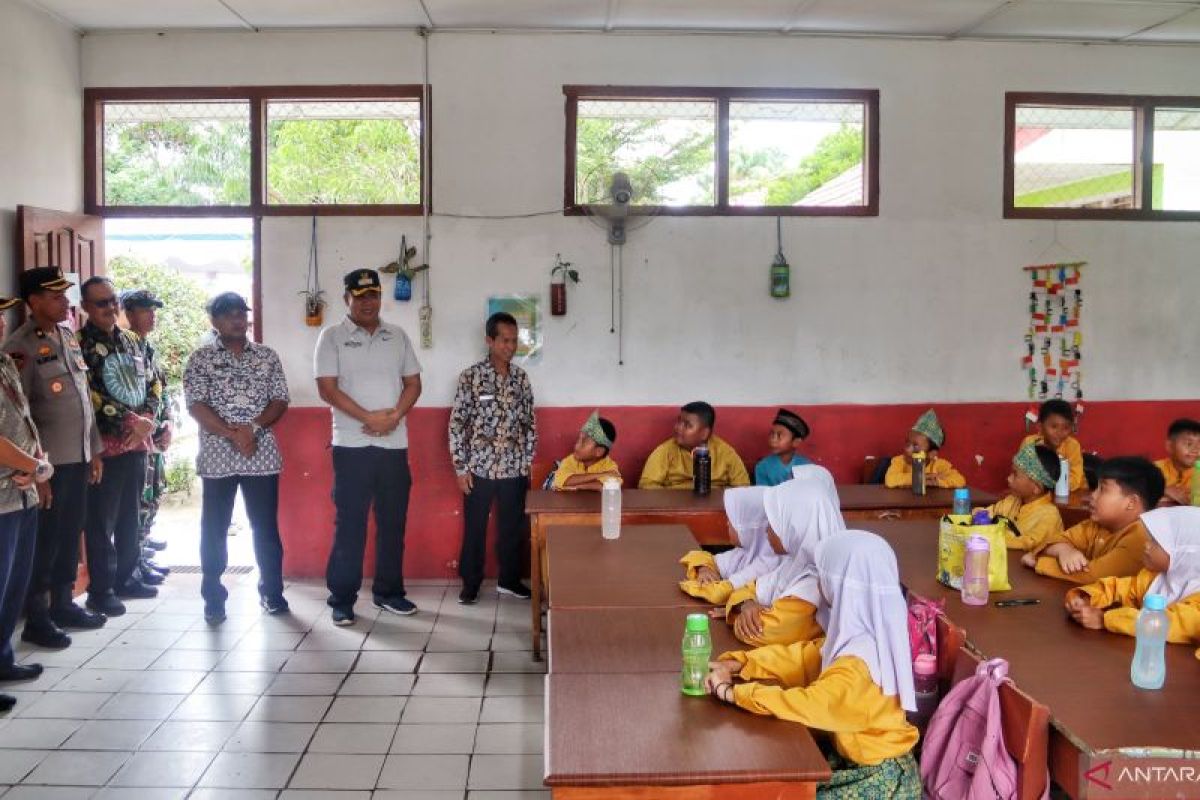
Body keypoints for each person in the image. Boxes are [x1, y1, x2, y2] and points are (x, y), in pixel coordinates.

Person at [705, 530, 920, 798]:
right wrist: (740, 664)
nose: (818, 584)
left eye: (824, 576)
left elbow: (806, 704)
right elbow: (805, 658)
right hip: (861, 763)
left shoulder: (859, 665)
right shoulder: (867, 634)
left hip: (880, 781)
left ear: (842, 585)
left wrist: (733, 693)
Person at [4, 268, 105, 648]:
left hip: (76, 455)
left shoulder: (67, 336)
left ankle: (64, 602)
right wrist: (37, 469)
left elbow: (83, 400)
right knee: (45, 541)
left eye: (66, 295)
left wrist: (93, 449)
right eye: (56, 296)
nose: (66, 302)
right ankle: (38, 616)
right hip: (47, 465)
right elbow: (19, 415)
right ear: (33, 302)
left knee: (68, 533)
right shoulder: (20, 347)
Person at [315, 269, 422, 626]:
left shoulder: (398, 336)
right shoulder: (331, 338)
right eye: (359, 297)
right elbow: (327, 389)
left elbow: (413, 384)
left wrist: (393, 417)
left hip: (394, 446)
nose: (367, 303)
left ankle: (389, 593)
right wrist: (368, 417)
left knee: (393, 523)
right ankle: (342, 599)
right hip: (352, 446)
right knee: (351, 526)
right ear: (347, 298)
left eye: (373, 295)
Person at [183, 292, 290, 624]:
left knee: (265, 528)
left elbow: (280, 399)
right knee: (214, 528)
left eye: (241, 313)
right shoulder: (200, 359)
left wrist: (253, 428)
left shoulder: (267, 356)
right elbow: (196, 405)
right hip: (219, 458)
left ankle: (272, 593)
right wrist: (233, 433)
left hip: (262, 457)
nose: (237, 319)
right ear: (214, 321)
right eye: (228, 315)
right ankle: (213, 596)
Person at [77, 276, 162, 617]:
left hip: (138, 443)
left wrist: (148, 421)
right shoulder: (78, 344)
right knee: (101, 520)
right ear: (85, 307)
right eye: (101, 303)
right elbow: (89, 393)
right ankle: (101, 589)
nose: (110, 308)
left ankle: (128, 578)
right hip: (105, 447)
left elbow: (153, 381)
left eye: (113, 300)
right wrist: (131, 422)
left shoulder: (131, 340)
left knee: (131, 514)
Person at [448, 311, 537, 605]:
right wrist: (461, 467)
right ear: (489, 340)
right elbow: (457, 424)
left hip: (513, 468)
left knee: (513, 527)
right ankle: (470, 584)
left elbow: (529, 424)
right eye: (504, 340)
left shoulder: (521, 380)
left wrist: (526, 462)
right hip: (479, 468)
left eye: (514, 341)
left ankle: (509, 581)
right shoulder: (471, 377)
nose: (510, 347)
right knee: (475, 529)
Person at [0, 295, 56, 710]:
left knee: (14, 584)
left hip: (21, 490)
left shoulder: (4, 362)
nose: (0, 324)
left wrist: (38, 463)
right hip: (5, 492)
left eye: (0, 317)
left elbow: (24, 420)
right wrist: (35, 466)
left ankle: (3, 659)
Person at [723, 468, 845, 646]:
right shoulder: (796, 562)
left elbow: (763, 632)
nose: (766, 530)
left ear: (795, 527)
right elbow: (747, 589)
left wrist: (741, 615)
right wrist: (747, 605)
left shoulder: (816, 579)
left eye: (774, 524)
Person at [1066, 506, 1200, 642]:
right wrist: (1087, 597)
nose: (1147, 545)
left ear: (1183, 555)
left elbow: (1165, 624)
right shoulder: (1154, 578)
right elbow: (1119, 588)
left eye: (1156, 542)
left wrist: (1103, 619)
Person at [1025, 456, 1164, 584]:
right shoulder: (1097, 525)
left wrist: (1038, 562)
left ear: (1131, 503)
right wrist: (1064, 551)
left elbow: (1093, 575)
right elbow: (1051, 541)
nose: (1092, 495)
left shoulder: (1141, 537)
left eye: (1102, 489)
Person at [121, 289, 172, 584]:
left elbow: (158, 390)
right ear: (127, 313)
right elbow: (130, 395)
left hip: (153, 435)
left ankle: (140, 555)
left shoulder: (147, 347)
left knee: (152, 495)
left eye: (154, 309)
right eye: (145, 310)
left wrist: (166, 425)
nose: (152, 315)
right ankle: (133, 563)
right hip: (137, 436)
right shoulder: (124, 348)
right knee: (137, 502)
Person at [679, 485, 778, 605]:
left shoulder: (767, 563)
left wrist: (692, 585)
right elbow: (699, 556)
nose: (727, 524)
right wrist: (704, 569)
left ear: (749, 527)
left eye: (732, 520)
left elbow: (719, 593)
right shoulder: (744, 553)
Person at [637, 401, 750, 490]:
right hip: (676, 507)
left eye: (687, 425)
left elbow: (743, 487)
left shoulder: (725, 453)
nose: (678, 428)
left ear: (704, 433)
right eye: (679, 422)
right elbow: (646, 485)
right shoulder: (665, 451)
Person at [979, 442, 1065, 552]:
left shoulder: (1049, 515)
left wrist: (992, 538)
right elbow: (989, 512)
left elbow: (1028, 543)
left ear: (1036, 488)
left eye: (1015, 475)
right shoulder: (1012, 500)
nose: (1009, 479)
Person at [883, 408, 965, 489]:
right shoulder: (899, 461)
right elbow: (890, 480)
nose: (907, 450)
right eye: (907, 443)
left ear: (932, 454)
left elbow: (960, 480)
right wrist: (921, 478)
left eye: (915, 446)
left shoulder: (939, 465)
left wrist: (937, 482)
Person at [1022, 398, 1085, 492]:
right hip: (1037, 495)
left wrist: (1045, 484)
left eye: (1066, 428)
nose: (1060, 432)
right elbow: (1022, 475)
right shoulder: (1030, 443)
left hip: (1069, 495)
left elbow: (1075, 480)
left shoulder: (1072, 446)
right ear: (1040, 427)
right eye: (1054, 426)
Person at [548, 411, 620, 491]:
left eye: (584, 442)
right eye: (579, 439)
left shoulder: (609, 465)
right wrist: (602, 474)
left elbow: (610, 485)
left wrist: (576, 486)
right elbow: (559, 481)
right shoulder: (570, 460)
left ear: (599, 451)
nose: (577, 445)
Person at [754, 409, 812, 487]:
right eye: (772, 434)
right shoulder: (762, 467)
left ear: (796, 442)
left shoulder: (806, 466)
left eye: (780, 435)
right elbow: (763, 494)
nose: (773, 439)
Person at [1156, 418, 1200, 506]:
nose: (1196, 450)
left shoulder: (1198, 471)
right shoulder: (1155, 469)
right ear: (1170, 446)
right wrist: (1163, 490)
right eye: (1189, 444)